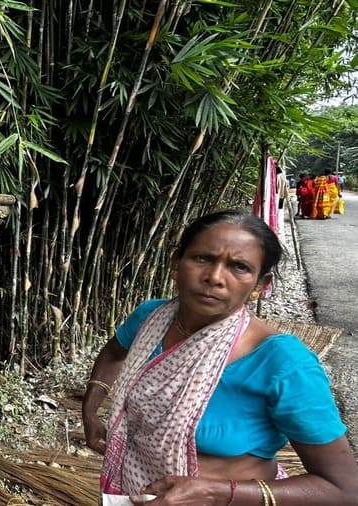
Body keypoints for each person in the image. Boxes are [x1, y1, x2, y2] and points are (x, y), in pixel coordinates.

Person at [82, 211, 358, 505]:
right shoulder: (150, 318)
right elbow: (113, 353)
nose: (214, 278)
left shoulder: (283, 363)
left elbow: (344, 489)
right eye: (202, 258)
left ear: (261, 286)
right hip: (134, 491)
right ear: (176, 264)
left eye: (239, 267)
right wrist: (90, 407)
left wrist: (218, 492)